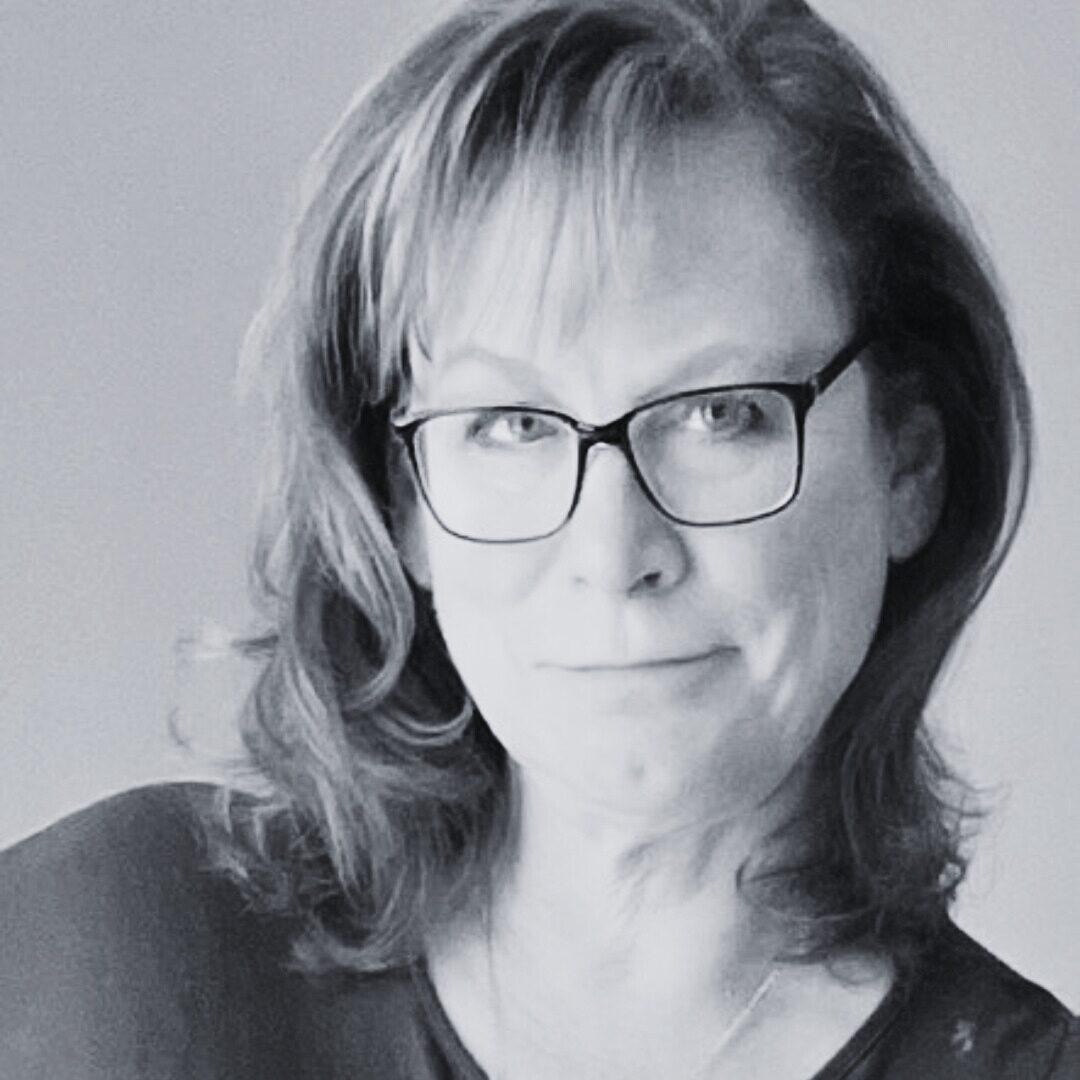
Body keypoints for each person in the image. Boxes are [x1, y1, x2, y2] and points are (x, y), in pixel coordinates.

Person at [1, 0, 1077, 1076]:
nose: (614, 552)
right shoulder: (100, 972)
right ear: (404, 502)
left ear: (908, 465)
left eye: (720, 413)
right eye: (509, 425)